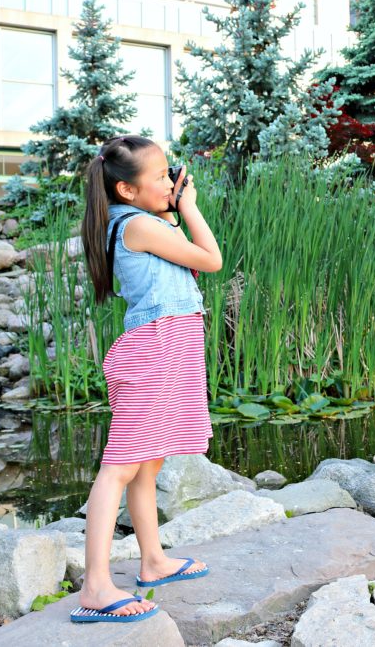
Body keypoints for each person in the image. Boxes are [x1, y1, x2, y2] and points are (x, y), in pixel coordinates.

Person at [70, 135, 223, 623]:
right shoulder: (137, 225)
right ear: (126, 190)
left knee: (148, 462)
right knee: (120, 465)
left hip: (166, 346)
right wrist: (189, 206)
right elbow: (210, 259)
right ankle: (96, 586)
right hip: (151, 351)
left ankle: (153, 561)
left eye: (167, 175)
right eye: (157, 177)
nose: (168, 182)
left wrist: (170, 210)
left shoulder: (140, 221)